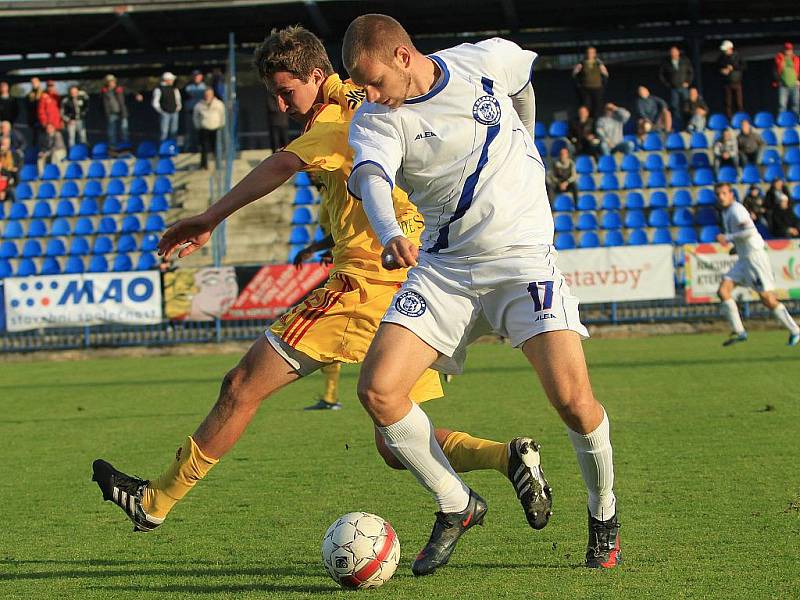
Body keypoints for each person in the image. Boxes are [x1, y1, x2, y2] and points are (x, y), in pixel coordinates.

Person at [92, 25, 546, 546]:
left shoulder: (336, 120)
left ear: (315, 74)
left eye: (288, 91)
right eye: (276, 95)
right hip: (410, 282)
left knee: (241, 385)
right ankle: (508, 455)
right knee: (395, 442)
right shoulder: (370, 98)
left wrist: (211, 217)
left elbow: (282, 163)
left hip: (361, 283)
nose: (283, 105)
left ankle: (154, 502)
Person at [342, 14, 620, 575]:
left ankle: (603, 511)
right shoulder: (375, 119)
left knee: (573, 402)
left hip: (522, 260)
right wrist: (390, 231)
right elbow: (371, 176)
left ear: (402, 56)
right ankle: (456, 503)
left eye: (371, 80)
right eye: (358, 84)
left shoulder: (485, 59)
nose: (366, 94)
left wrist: (529, 141)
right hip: (445, 268)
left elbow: (522, 81)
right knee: (379, 392)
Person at [714, 182, 799, 347]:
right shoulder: (726, 212)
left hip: (755, 258)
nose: (721, 197)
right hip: (744, 258)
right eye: (718, 194)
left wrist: (729, 238)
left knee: (767, 298)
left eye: (724, 193)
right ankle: (739, 331)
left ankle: (795, 329)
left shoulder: (736, 209)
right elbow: (743, 236)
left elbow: (750, 231)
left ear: (731, 194)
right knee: (723, 290)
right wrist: (736, 248)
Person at [658, 46, 693, 130]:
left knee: (687, 104)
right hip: (674, 88)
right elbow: (661, 75)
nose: (673, 54)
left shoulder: (685, 61)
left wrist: (688, 82)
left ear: (678, 52)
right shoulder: (666, 63)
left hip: (684, 87)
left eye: (674, 52)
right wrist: (668, 84)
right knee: (674, 106)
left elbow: (690, 72)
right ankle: (678, 122)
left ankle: (688, 122)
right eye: (671, 52)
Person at [193, 87, 226, 170]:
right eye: (206, 94)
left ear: (213, 94)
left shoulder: (219, 104)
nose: (208, 96)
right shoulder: (199, 105)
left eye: (209, 94)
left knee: (216, 147)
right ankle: (203, 165)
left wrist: (221, 124)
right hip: (204, 128)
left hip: (216, 128)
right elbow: (195, 117)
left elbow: (223, 115)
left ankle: (218, 165)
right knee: (204, 147)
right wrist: (198, 126)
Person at [571, 46, 608, 118]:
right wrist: (579, 86)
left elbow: (605, 74)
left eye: (591, 53)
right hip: (585, 89)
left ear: (595, 54)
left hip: (597, 88)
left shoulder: (599, 63)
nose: (590, 54)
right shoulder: (581, 63)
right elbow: (574, 74)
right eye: (588, 53)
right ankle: (587, 121)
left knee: (597, 107)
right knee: (586, 106)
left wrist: (602, 85)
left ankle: (596, 121)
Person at [717, 40, 745, 119]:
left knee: (739, 103)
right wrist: (722, 71)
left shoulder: (738, 56)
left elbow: (744, 66)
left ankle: (741, 118)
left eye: (726, 50)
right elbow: (717, 67)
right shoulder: (721, 58)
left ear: (730, 48)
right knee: (728, 103)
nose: (724, 52)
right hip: (727, 82)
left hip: (737, 81)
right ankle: (729, 119)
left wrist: (733, 67)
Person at [152, 72, 182, 141]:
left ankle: (173, 147)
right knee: (164, 132)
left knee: (174, 131)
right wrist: (161, 111)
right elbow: (155, 103)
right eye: (171, 79)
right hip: (165, 113)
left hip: (174, 112)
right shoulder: (159, 89)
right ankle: (163, 148)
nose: (172, 81)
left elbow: (178, 99)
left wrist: (178, 107)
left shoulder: (174, 88)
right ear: (166, 80)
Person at [102, 75, 130, 148]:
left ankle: (125, 146)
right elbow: (103, 104)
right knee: (111, 132)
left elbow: (129, 90)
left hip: (122, 113)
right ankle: (112, 146)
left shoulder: (119, 89)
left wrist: (137, 95)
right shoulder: (104, 91)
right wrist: (106, 113)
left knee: (124, 130)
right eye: (110, 81)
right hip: (111, 113)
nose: (112, 83)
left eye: (113, 81)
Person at [183, 70, 207, 151]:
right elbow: (184, 97)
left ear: (201, 77)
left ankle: (200, 147)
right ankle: (189, 148)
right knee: (190, 131)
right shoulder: (188, 87)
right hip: (190, 112)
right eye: (195, 76)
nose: (196, 77)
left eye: (198, 76)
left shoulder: (205, 87)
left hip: (201, 112)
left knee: (200, 131)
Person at [774, 42, 800, 115]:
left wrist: (799, 80)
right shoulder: (779, 58)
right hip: (783, 85)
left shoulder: (796, 59)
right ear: (783, 50)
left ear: (792, 50)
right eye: (786, 49)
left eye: (789, 49)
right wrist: (777, 80)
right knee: (782, 105)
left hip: (794, 85)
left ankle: (797, 122)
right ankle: (781, 122)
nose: (788, 51)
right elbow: (776, 70)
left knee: (796, 104)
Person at [25, 77, 43, 148]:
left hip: (42, 119)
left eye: (35, 82)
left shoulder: (43, 93)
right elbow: (28, 108)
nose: (34, 84)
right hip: (33, 119)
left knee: (43, 136)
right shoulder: (29, 95)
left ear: (39, 83)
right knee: (34, 137)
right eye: (32, 82)